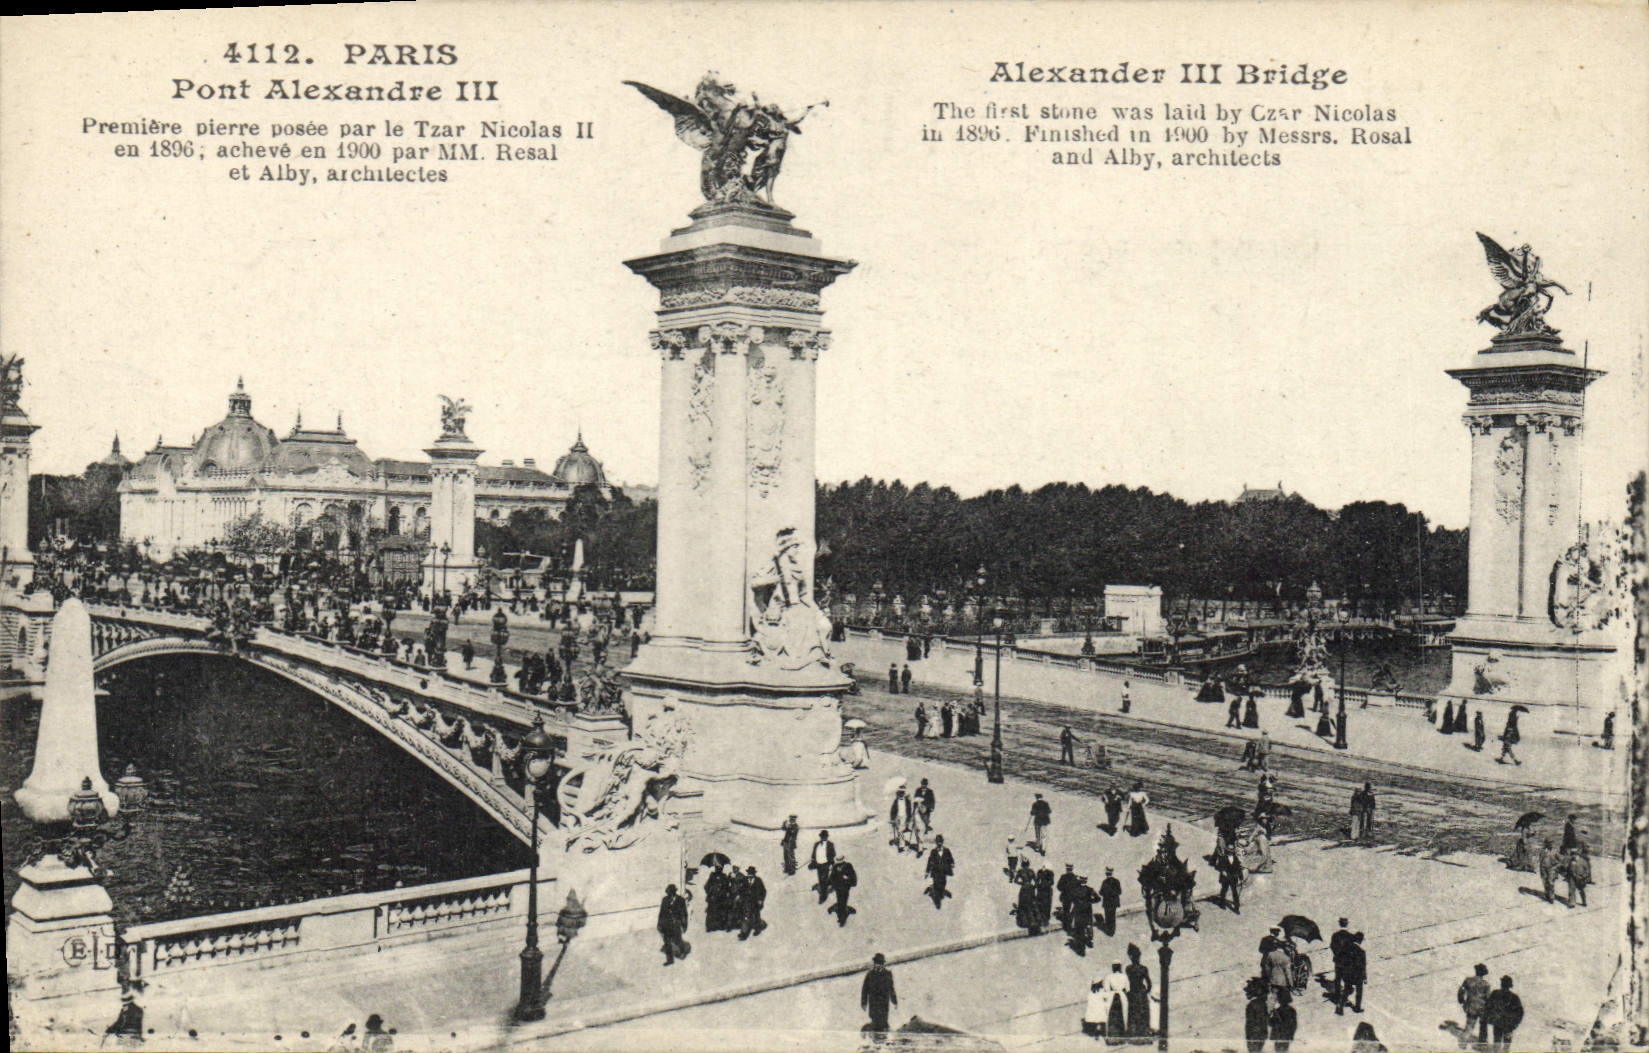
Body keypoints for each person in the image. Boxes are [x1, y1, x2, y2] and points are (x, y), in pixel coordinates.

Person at [1085, 962, 1128, 1039]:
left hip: (1112, 996)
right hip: (1122, 996)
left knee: (1112, 1015)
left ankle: (1111, 1033)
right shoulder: (1124, 976)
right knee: (1122, 1014)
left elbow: (1107, 989)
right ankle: (1122, 1032)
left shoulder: (1109, 977)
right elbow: (1128, 989)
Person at [1483, 975, 1523, 1052]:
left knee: (1497, 1041)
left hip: (1497, 1022)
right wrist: (1515, 1023)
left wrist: (1490, 1018)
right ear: (1510, 985)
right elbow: (1520, 1012)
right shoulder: (1514, 997)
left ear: (1501, 984)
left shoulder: (1495, 993)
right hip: (1509, 1024)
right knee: (1507, 1044)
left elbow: (1488, 1006)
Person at [860, 953, 897, 1033]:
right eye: (876, 963)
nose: (878, 965)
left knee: (883, 1021)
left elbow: (891, 988)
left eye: (880, 963)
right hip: (874, 1003)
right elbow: (865, 990)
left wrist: (894, 1002)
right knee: (875, 1021)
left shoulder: (887, 974)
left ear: (883, 964)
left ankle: (883, 1039)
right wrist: (864, 1003)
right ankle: (875, 1040)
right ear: (874, 963)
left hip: (884, 1003)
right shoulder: (870, 974)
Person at [1458, 963, 1491, 1049]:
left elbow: (1461, 991)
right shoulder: (1486, 984)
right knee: (1483, 1026)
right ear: (1483, 974)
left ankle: (1463, 1043)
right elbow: (1488, 998)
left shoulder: (1468, 980)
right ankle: (1482, 1044)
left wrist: (1462, 1001)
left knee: (1469, 1025)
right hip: (1482, 1008)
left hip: (1471, 1006)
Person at [657, 884, 691, 965]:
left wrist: (684, 925)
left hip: (676, 924)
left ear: (674, 892)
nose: (669, 894)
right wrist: (659, 924)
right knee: (667, 942)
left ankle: (682, 951)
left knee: (677, 940)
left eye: (671, 892)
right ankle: (670, 960)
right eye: (668, 893)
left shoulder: (681, 900)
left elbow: (684, 913)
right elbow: (661, 913)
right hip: (666, 924)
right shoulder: (664, 900)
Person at [1125, 943, 1154, 1038]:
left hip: (1133, 992)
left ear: (1131, 957)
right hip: (1141, 992)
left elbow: (1127, 982)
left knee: (1133, 1012)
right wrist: (1146, 991)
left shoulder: (1128, 969)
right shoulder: (1143, 968)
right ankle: (1144, 1031)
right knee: (1143, 1013)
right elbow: (1149, 983)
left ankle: (1133, 1032)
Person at [1336, 933, 1366, 1015]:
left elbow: (1339, 959)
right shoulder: (1361, 952)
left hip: (1347, 974)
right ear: (1360, 941)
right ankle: (1357, 1007)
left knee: (1347, 989)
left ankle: (1340, 1006)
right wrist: (1365, 977)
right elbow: (1363, 967)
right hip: (1357, 975)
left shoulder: (1346, 948)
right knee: (1359, 991)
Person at [925, 834, 955, 909]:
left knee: (943, 883)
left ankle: (939, 891)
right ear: (936, 842)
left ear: (942, 842)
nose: (939, 843)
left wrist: (952, 863)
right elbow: (930, 862)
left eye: (940, 842)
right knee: (936, 885)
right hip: (935, 872)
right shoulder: (933, 851)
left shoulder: (947, 850)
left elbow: (951, 858)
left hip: (943, 872)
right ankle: (937, 902)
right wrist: (927, 871)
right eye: (937, 842)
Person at [738, 866, 767, 940]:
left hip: (756, 902)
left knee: (756, 915)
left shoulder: (758, 880)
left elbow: (763, 891)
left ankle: (758, 928)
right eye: (749, 873)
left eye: (751, 873)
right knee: (745, 916)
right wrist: (741, 897)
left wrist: (760, 899)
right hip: (746, 901)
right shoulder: (744, 880)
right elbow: (741, 890)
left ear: (754, 874)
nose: (750, 875)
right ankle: (744, 933)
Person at [829, 853, 858, 926]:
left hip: (845, 888)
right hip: (838, 888)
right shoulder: (835, 867)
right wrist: (832, 885)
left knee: (843, 902)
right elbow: (832, 877)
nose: (839, 861)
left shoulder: (848, 866)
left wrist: (849, 881)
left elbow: (853, 876)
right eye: (838, 860)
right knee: (840, 901)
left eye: (840, 860)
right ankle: (841, 917)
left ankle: (842, 918)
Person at [1244, 976, 1271, 1053]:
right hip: (1257, 1035)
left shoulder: (1254, 1004)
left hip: (1255, 1036)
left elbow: (1258, 1021)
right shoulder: (1261, 1004)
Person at [1264, 931, 1292, 1001]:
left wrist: (1269, 977)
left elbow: (1267, 968)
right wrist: (1290, 983)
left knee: (1273, 998)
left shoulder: (1270, 955)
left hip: (1273, 979)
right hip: (1282, 982)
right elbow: (1288, 972)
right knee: (1283, 1000)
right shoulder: (1286, 957)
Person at [810, 830, 835, 903]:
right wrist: (813, 862)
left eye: (824, 837)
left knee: (824, 880)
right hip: (818, 865)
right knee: (820, 878)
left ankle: (823, 896)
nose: (823, 838)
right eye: (822, 836)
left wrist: (831, 864)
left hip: (825, 864)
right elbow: (813, 855)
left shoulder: (830, 844)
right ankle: (821, 887)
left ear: (827, 837)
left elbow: (833, 854)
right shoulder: (816, 844)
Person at [1057, 864, 1082, 934]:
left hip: (1065, 897)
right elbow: (1079, 887)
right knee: (1072, 911)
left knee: (1066, 911)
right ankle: (1070, 925)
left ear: (1067, 869)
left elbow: (1059, 887)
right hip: (1073, 897)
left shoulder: (1063, 877)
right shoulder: (1075, 877)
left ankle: (1066, 926)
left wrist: (1065, 889)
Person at [1098, 867, 1122, 936]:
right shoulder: (1116, 881)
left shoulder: (1104, 882)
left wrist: (1106, 893)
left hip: (1107, 902)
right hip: (1114, 902)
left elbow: (1101, 892)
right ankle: (1112, 931)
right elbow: (1119, 891)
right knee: (1113, 916)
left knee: (1107, 916)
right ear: (1112, 873)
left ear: (1106, 873)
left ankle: (1109, 931)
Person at [1567, 842, 1591, 907]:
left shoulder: (1583, 861)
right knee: (1571, 890)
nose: (1573, 856)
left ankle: (1584, 901)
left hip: (1581, 878)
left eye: (1574, 855)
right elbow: (1568, 869)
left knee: (1581, 890)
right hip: (1572, 877)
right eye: (1572, 855)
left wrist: (1584, 876)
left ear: (1577, 855)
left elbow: (1587, 870)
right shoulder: (1571, 861)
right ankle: (1572, 903)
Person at [1537, 838, 1559, 903]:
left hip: (1551, 868)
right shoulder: (1543, 851)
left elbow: (1559, 860)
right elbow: (1540, 859)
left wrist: (1556, 867)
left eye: (1552, 843)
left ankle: (1552, 897)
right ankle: (1547, 894)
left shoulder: (1555, 851)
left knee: (1551, 882)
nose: (1551, 845)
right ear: (1546, 844)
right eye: (1549, 843)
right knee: (1545, 881)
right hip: (1543, 868)